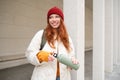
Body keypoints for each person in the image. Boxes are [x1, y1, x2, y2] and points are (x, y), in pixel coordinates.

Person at [25, 6, 79, 80]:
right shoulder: (41, 34)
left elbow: (71, 55)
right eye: (51, 17)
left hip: (63, 77)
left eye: (57, 16)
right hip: (43, 76)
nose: (54, 20)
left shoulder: (67, 38)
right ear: (48, 20)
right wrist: (41, 56)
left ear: (61, 19)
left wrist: (72, 61)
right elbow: (29, 54)